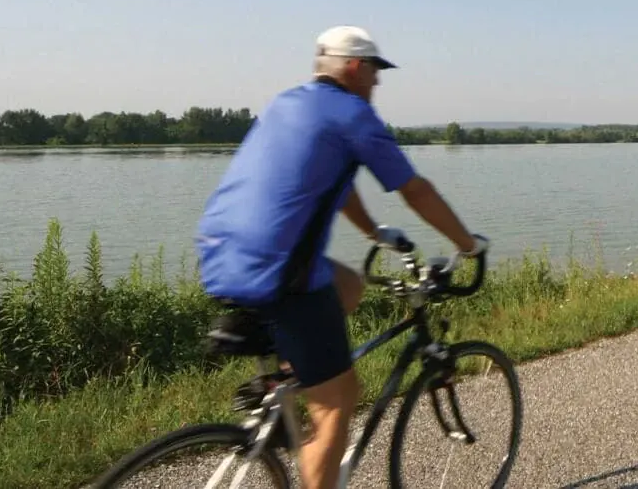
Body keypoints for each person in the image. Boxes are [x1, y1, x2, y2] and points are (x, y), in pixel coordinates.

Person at [193, 24, 487, 489]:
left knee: (349, 285)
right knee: (338, 402)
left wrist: (375, 232)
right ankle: (315, 423)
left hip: (218, 251)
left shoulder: (286, 104)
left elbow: (337, 179)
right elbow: (415, 190)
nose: (378, 82)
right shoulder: (353, 115)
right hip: (281, 274)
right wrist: (466, 245)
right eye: (374, 70)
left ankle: (290, 376)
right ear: (354, 66)